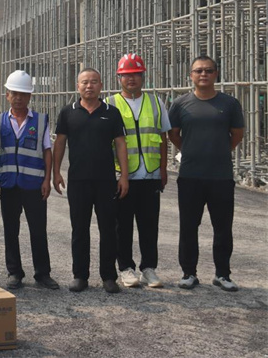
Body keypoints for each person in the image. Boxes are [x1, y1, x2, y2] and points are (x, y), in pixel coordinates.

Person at [168, 56, 244, 291]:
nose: (203, 74)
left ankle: (222, 274)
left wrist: (219, 150)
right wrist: (191, 150)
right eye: (199, 71)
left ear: (216, 74)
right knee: (188, 226)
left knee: (223, 227)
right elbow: (173, 134)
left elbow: (237, 134)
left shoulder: (229, 104)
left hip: (221, 176)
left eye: (208, 71)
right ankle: (188, 273)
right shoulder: (180, 104)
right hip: (190, 175)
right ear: (191, 75)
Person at [53, 68, 129, 293]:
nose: (89, 86)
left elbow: (121, 144)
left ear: (101, 85)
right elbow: (60, 143)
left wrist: (124, 176)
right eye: (85, 82)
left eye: (94, 82)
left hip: (106, 180)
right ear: (78, 86)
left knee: (108, 229)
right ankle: (80, 275)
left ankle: (109, 276)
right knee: (79, 229)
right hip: (78, 180)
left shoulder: (111, 113)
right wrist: (56, 172)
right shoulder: (68, 112)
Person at [0, 70, 58, 290]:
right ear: (7, 95)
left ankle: (43, 273)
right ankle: (14, 272)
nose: (18, 98)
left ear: (29, 96)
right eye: (14, 93)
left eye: (23, 94)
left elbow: (47, 151)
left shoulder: (40, 121)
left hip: (34, 185)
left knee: (38, 230)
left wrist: (47, 180)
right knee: (11, 230)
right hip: (8, 184)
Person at [106, 54, 170, 289]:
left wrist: (163, 169)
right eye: (126, 75)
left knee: (149, 225)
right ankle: (125, 268)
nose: (131, 79)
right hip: (122, 176)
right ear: (119, 78)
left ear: (143, 76)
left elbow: (162, 138)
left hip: (150, 174)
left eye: (135, 74)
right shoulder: (110, 104)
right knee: (122, 225)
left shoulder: (155, 102)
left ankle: (148, 268)